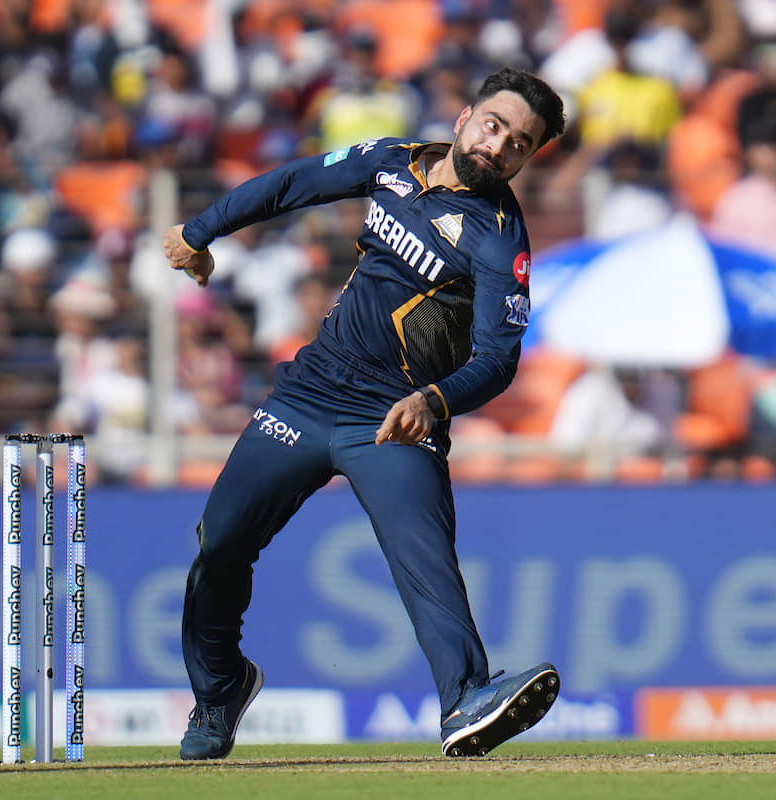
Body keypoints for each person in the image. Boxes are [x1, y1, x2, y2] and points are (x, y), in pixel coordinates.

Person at [162, 68, 566, 760]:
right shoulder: (392, 162)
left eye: (520, 144)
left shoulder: (500, 240)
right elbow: (290, 184)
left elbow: (500, 361)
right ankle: (221, 688)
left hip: (393, 418)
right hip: (308, 394)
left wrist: (432, 401)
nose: (501, 146)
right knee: (220, 544)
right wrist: (201, 232)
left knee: (425, 560)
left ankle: (466, 699)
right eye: (495, 125)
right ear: (467, 115)